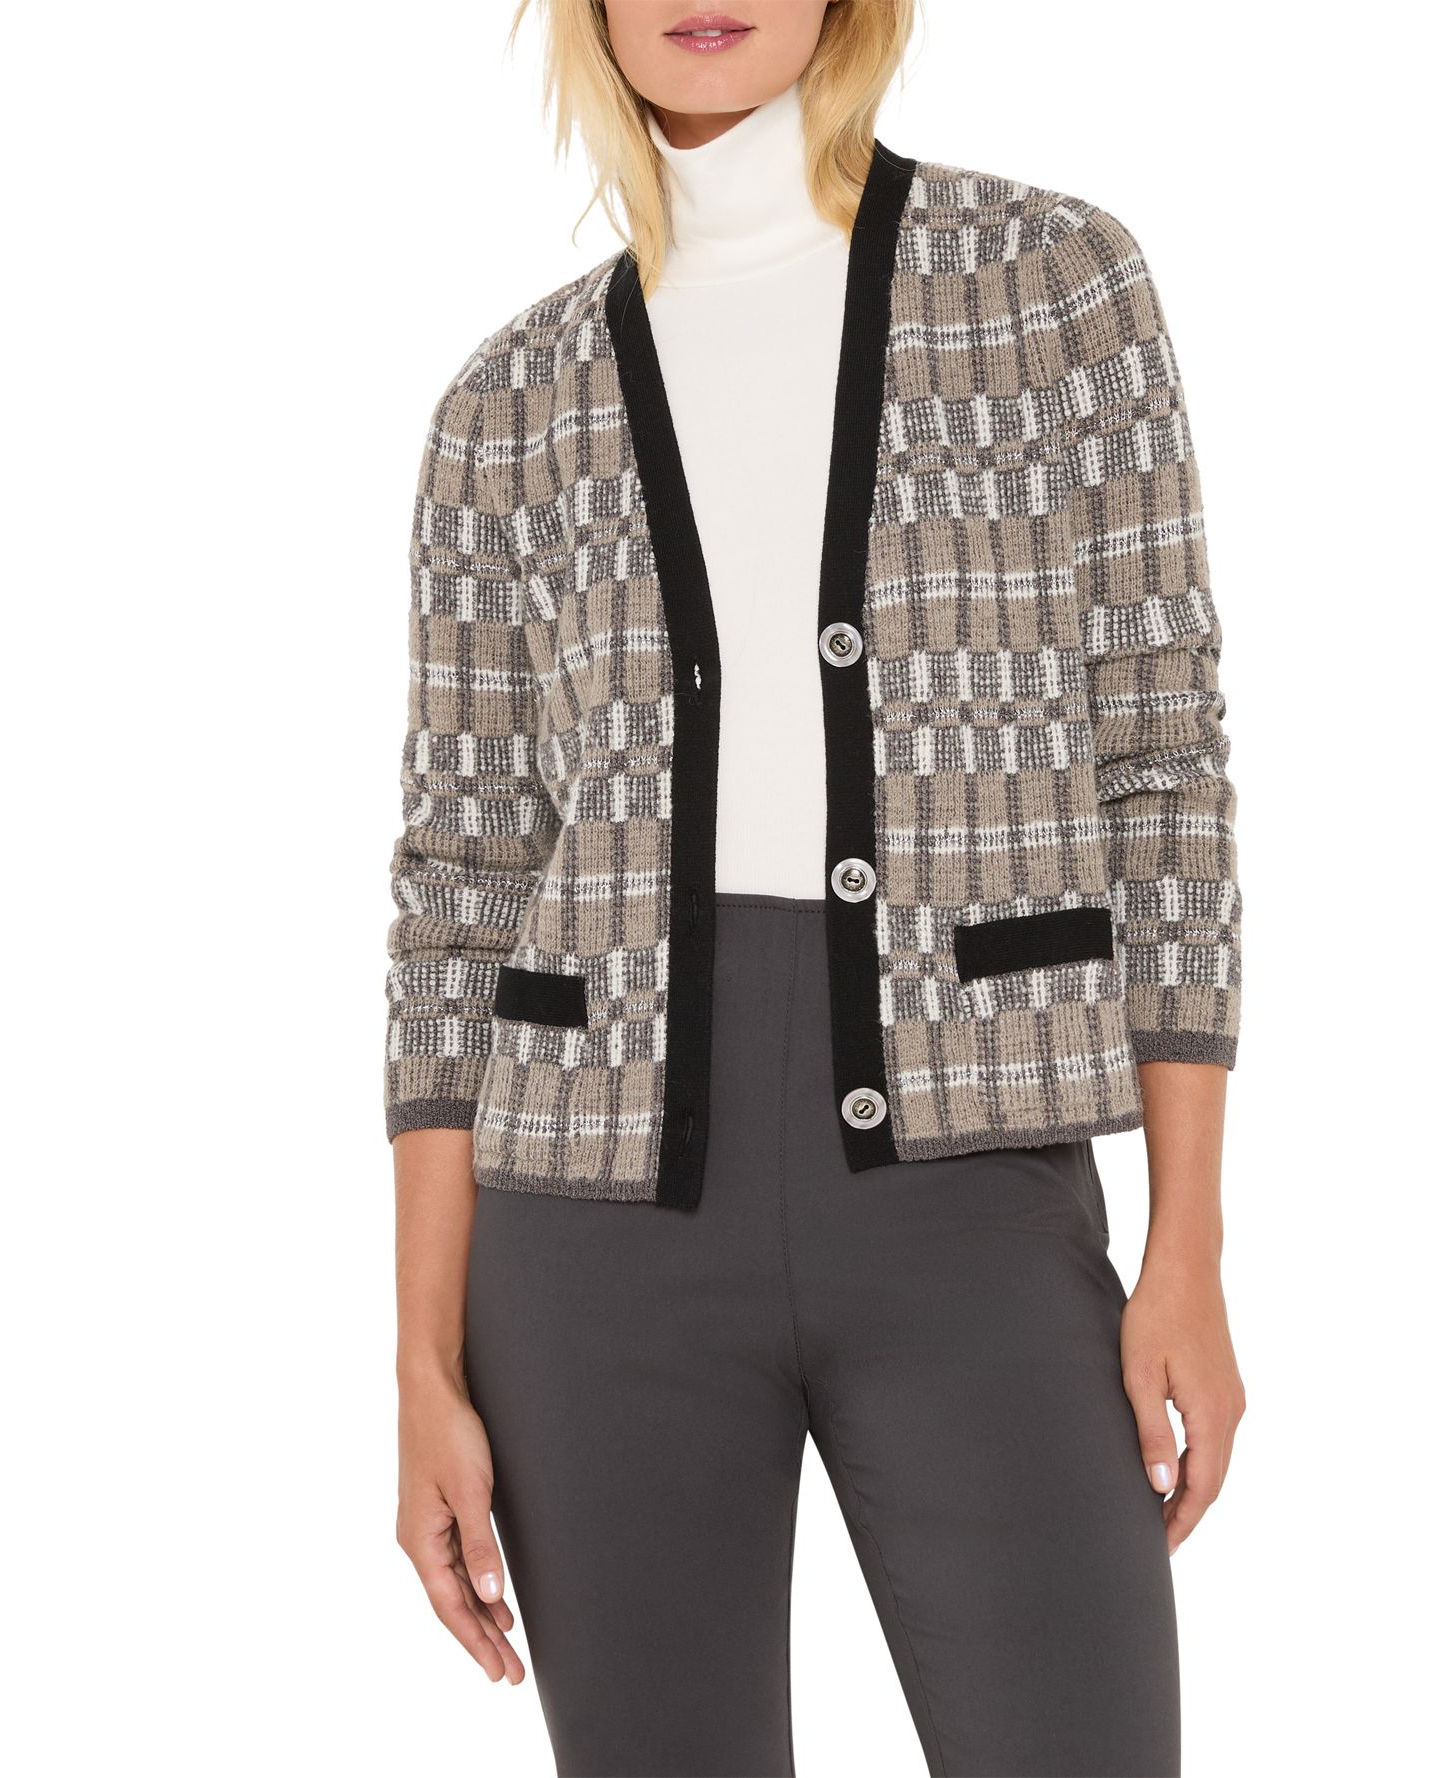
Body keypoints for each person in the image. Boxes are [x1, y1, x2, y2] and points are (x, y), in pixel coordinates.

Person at [387, 3, 1245, 1772]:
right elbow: (458, 888)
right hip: (593, 1234)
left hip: (976, 1195)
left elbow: (1162, 768)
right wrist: (422, 1365)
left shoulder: (1053, 287)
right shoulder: (505, 406)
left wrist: (1188, 1243)